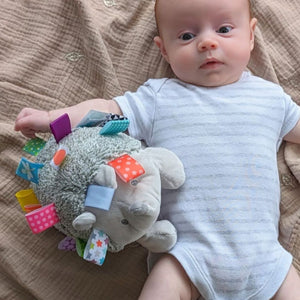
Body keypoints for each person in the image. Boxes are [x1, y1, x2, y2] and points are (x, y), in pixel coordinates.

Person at [14, 0, 300, 299]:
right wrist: (53, 119)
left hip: (267, 259)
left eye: (224, 29)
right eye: (187, 36)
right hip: (185, 255)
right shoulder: (158, 98)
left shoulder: (271, 98)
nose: (207, 42)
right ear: (164, 50)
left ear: (251, 36)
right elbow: (105, 109)